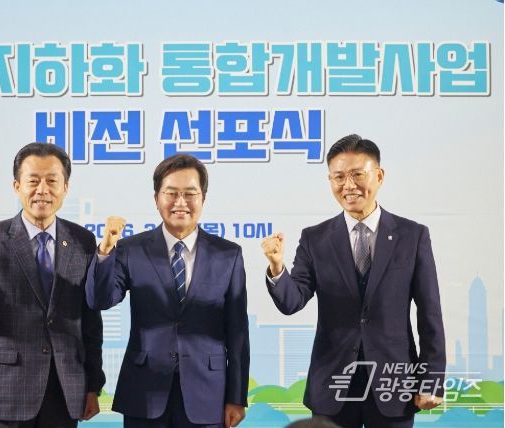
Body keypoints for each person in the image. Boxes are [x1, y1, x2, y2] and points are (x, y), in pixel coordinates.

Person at [261, 135, 445, 428]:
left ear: (379, 176)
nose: (348, 185)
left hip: (393, 384)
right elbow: (292, 301)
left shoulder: (412, 236)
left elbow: (430, 312)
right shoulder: (315, 238)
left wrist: (432, 379)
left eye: (357, 174)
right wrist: (276, 266)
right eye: (339, 177)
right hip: (332, 384)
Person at [85, 154, 250, 427]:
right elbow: (100, 300)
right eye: (171, 193)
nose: (180, 202)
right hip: (144, 390)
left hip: (208, 393)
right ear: (156, 198)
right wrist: (105, 251)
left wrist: (236, 396)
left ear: (203, 198)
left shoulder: (228, 255)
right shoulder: (130, 249)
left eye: (190, 194)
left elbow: (238, 333)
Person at [0, 142, 105, 427]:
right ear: (17, 186)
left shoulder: (83, 241)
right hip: (6, 389)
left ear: (65, 188)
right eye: (33, 181)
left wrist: (93, 385)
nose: (42, 190)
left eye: (52, 181)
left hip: (64, 388)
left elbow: (90, 321)